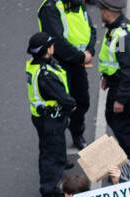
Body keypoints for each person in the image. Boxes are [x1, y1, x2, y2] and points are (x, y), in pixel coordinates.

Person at [36, 0, 95, 150]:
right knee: (60, 107)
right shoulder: (50, 8)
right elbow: (58, 42)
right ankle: (57, 151)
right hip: (59, 66)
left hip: (77, 64)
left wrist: (89, 51)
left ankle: (77, 134)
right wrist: (82, 56)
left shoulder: (78, 4)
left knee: (82, 101)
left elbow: (91, 29)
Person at [25, 32, 74, 197]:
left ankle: (58, 173)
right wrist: (71, 105)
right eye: (51, 45)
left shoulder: (36, 66)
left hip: (45, 119)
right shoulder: (46, 74)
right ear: (47, 50)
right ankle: (49, 195)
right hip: (50, 120)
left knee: (53, 151)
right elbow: (62, 96)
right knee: (50, 157)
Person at [96, 0, 130, 163]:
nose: (100, 13)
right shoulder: (115, 29)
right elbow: (115, 61)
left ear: (107, 11)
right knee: (114, 120)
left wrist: (121, 99)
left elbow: (129, 72)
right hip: (118, 84)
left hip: (125, 88)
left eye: (101, 9)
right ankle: (124, 159)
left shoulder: (123, 38)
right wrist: (107, 78)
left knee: (124, 127)